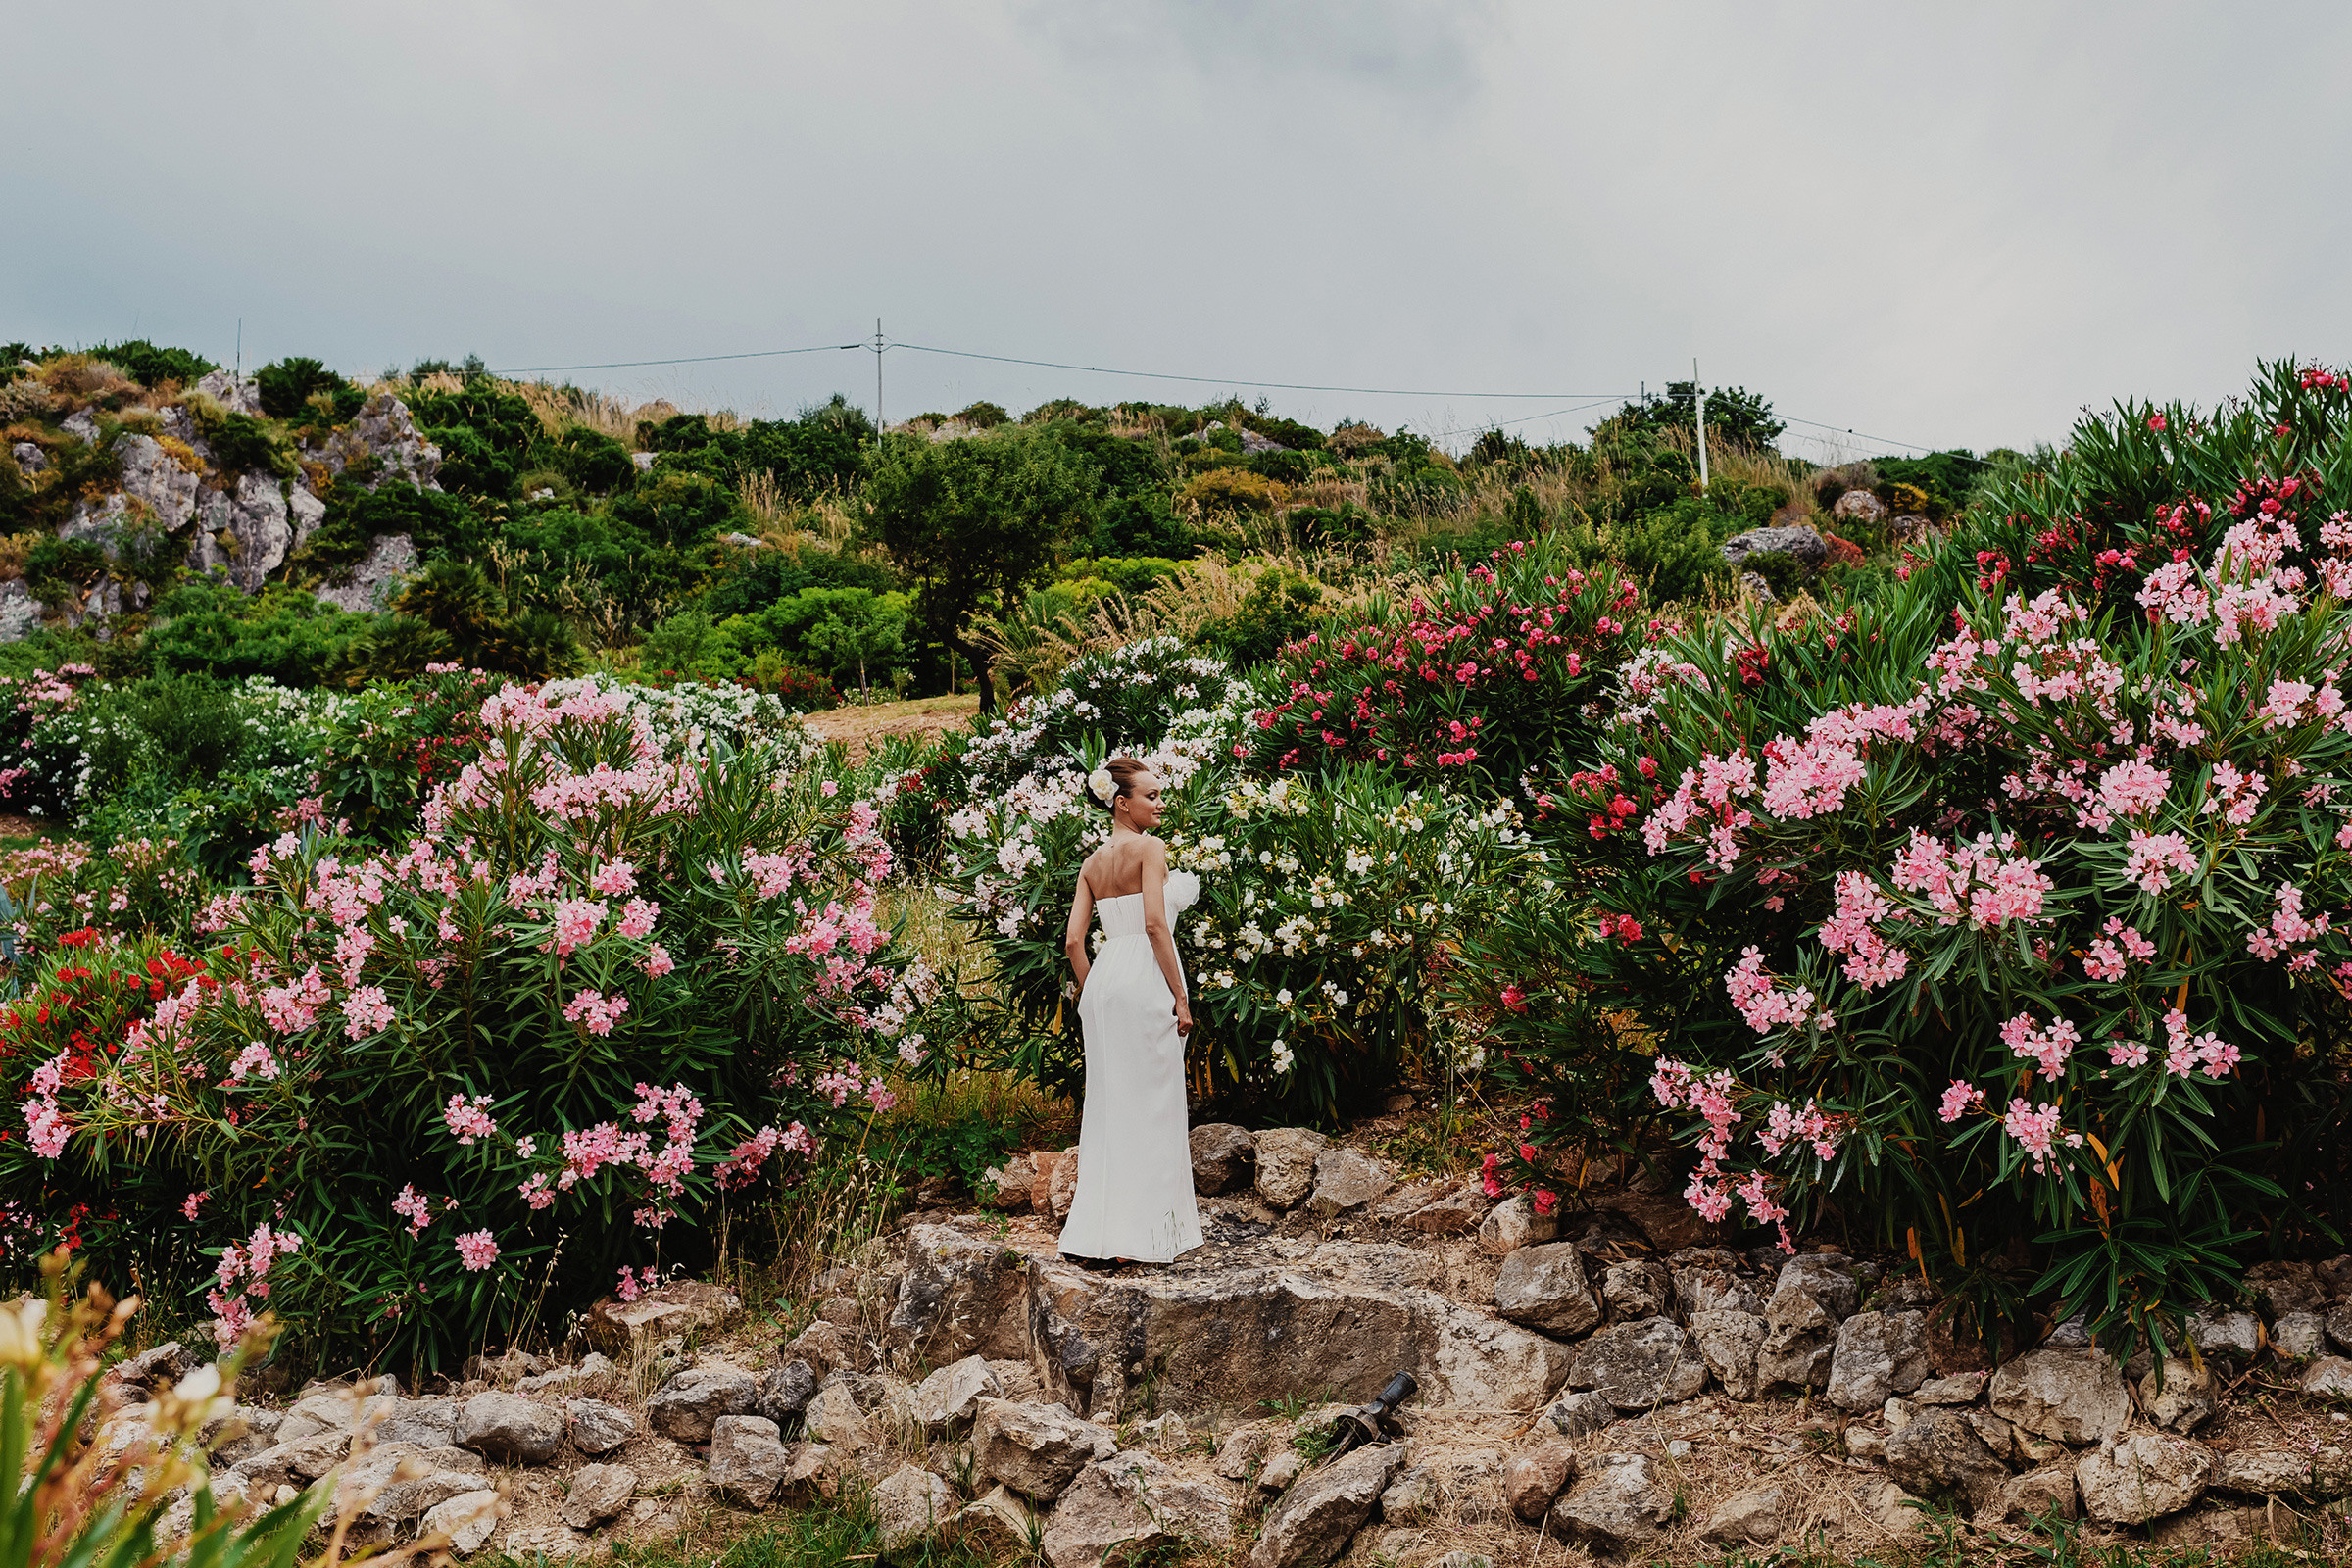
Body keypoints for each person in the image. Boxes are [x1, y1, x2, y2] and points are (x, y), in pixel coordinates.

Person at [1055, 755, 1203, 1265]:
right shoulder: (1150, 849)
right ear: (1122, 803)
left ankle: (1100, 1234)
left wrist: (1094, 990)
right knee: (1153, 1104)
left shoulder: (1091, 864)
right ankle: (1144, 1236)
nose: (1160, 804)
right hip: (1144, 978)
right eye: (1151, 796)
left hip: (1103, 985)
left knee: (1109, 1105)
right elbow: (1156, 926)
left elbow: (1073, 941)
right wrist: (1179, 996)